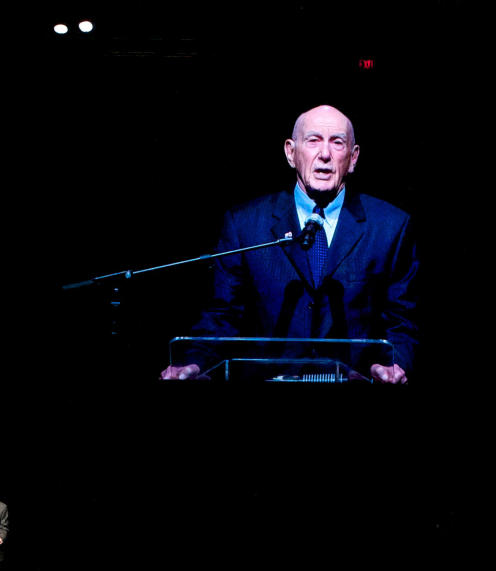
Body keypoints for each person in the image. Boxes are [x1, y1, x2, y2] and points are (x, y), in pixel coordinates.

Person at [161, 104, 417, 384]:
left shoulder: (390, 226)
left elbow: (402, 320)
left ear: (353, 158)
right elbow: (223, 314)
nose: (325, 154)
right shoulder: (245, 225)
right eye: (313, 141)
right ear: (291, 153)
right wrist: (194, 362)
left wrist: (395, 364)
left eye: (337, 143)